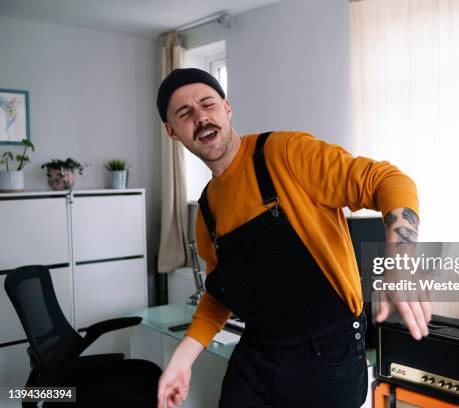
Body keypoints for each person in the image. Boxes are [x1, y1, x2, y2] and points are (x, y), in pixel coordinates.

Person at [155, 68, 431, 408]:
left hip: (327, 359)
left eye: (207, 104)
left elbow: (389, 180)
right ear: (172, 131)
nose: (200, 117)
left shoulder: (285, 153)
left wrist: (400, 261)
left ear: (226, 108)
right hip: (258, 357)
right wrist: (183, 357)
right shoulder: (207, 210)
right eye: (185, 113)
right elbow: (220, 292)